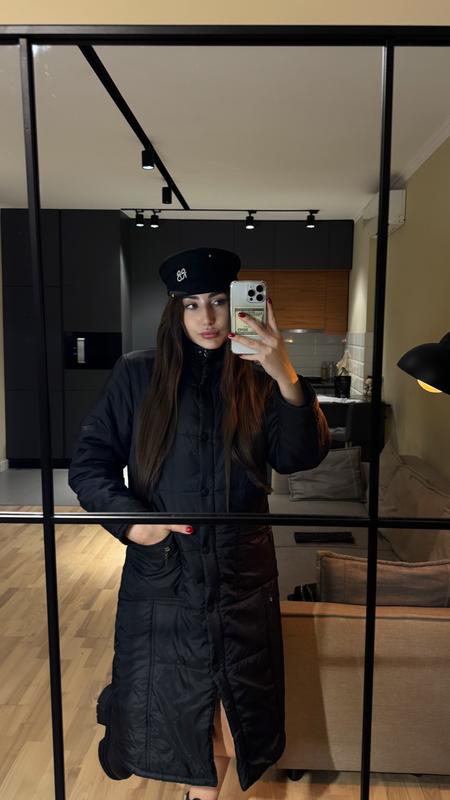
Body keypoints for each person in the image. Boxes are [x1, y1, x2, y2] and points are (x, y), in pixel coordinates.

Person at [68, 247, 331, 800]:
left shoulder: (259, 376)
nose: (207, 318)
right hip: (166, 570)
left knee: (237, 698)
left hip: (241, 570)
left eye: (217, 302)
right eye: (191, 305)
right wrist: (133, 524)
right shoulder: (138, 374)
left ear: (238, 305)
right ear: (176, 311)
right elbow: (89, 465)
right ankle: (200, 794)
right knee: (173, 695)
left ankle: (202, 794)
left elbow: (298, 456)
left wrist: (284, 374)